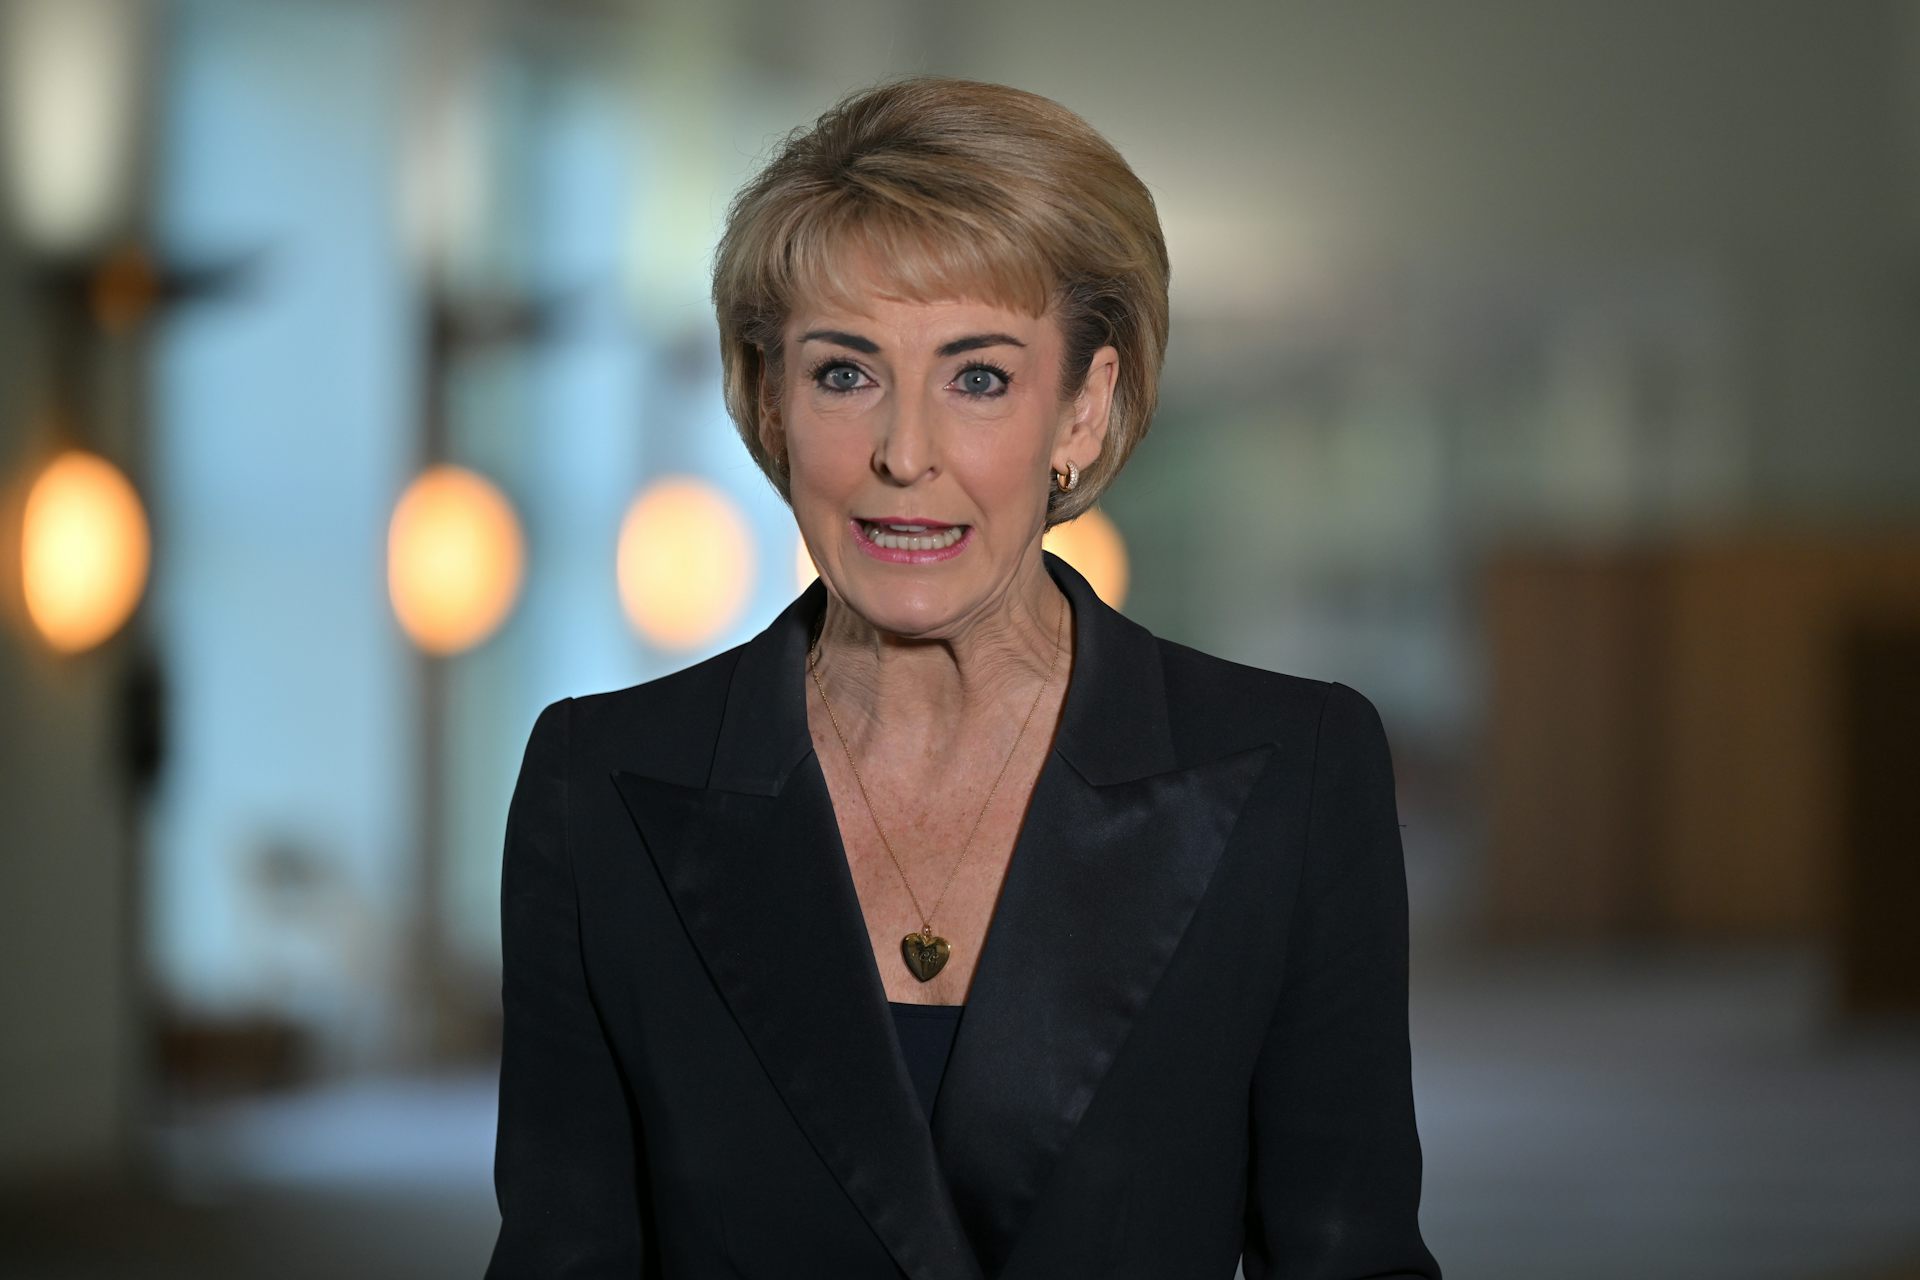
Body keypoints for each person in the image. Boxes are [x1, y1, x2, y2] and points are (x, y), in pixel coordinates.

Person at [485, 75, 1441, 1280]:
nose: (905, 451)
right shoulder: (602, 783)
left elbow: (1350, 1257)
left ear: (1083, 409)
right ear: (773, 403)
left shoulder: (1291, 775)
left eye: (978, 376)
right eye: (846, 372)